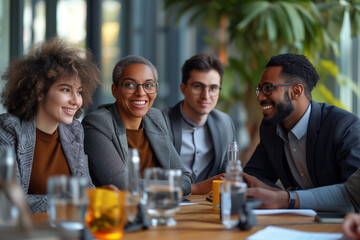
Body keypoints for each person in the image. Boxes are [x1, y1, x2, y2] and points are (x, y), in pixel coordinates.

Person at [244, 53, 360, 209]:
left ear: (296, 91)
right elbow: (254, 175)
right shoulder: (270, 128)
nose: (260, 98)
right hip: (294, 221)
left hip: (339, 225)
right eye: (260, 90)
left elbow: (353, 193)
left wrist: (288, 198)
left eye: (267, 88)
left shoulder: (344, 127)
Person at [0, 37, 101, 213]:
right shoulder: (9, 129)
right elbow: (9, 201)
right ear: (40, 92)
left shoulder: (74, 131)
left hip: (71, 228)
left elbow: (87, 190)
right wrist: (73, 199)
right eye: (65, 90)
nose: (76, 100)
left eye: (79, 92)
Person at [82, 55, 192, 196]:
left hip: (163, 208)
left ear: (155, 90)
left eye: (148, 85)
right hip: (121, 213)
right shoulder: (97, 124)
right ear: (115, 90)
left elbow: (184, 178)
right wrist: (176, 187)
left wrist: (179, 187)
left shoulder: (156, 118)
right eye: (130, 85)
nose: (141, 93)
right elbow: (122, 184)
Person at [162, 54, 236, 194]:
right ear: (183, 88)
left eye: (213, 88)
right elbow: (153, 175)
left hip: (208, 207)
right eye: (198, 86)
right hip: (170, 202)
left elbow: (228, 174)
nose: (206, 96)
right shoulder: (162, 122)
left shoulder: (225, 123)